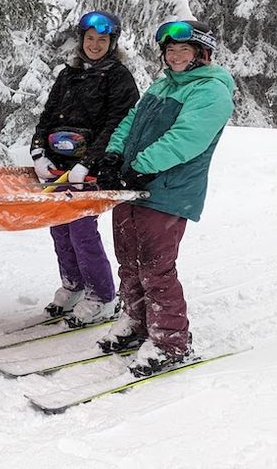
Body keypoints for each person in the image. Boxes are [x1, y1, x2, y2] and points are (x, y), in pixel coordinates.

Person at [94, 19, 234, 377]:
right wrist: (113, 153)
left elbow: (187, 138)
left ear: (202, 53)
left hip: (169, 192)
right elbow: (130, 119)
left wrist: (140, 166)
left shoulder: (211, 90)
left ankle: (170, 341)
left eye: (182, 50)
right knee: (128, 260)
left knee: (156, 267)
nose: (174, 56)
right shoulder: (162, 84)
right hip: (133, 184)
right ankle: (135, 322)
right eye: (169, 50)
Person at [31, 10, 140, 325]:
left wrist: (87, 163)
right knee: (60, 228)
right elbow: (48, 115)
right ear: (81, 40)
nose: (94, 44)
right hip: (58, 166)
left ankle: (103, 296)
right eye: (89, 38)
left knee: (81, 230)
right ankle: (74, 285)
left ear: (111, 42)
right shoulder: (68, 75)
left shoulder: (119, 78)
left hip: (89, 169)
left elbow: (116, 126)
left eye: (101, 39)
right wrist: (38, 151)